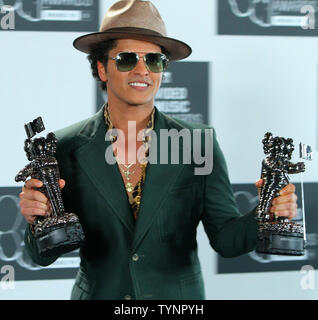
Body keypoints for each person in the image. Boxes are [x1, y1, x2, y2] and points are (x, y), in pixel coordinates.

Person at [19, 0, 298, 300]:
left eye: (154, 60)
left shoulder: (197, 143)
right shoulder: (64, 146)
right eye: (127, 59)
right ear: (102, 67)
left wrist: (265, 213)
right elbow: (41, 257)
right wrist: (36, 220)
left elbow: (227, 240)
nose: (143, 70)